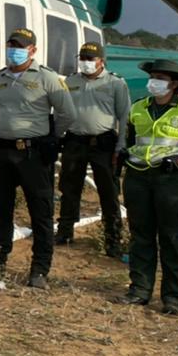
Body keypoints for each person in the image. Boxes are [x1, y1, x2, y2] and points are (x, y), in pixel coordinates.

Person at [118, 60, 178, 314]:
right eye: (152, 77)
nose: (154, 82)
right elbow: (131, 141)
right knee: (141, 236)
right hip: (139, 178)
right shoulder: (138, 108)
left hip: (173, 182)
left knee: (172, 238)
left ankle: (173, 298)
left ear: (173, 84)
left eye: (160, 77)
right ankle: (139, 289)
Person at [0, 27, 76, 289]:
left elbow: (67, 113)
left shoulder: (47, 78)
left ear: (32, 50)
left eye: (20, 46)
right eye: (11, 45)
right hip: (2, 152)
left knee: (41, 212)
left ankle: (39, 270)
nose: (14, 50)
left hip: (33, 154)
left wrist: (50, 137)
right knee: (0, 209)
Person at [56, 41, 130, 255]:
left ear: (101, 61)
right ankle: (65, 231)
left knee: (109, 191)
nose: (86, 62)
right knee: (69, 188)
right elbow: (62, 112)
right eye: (83, 58)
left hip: (103, 143)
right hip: (75, 141)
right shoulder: (70, 81)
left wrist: (121, 145)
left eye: (90, 58)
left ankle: (112, 238)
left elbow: (125, 115)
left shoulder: (115, 83)